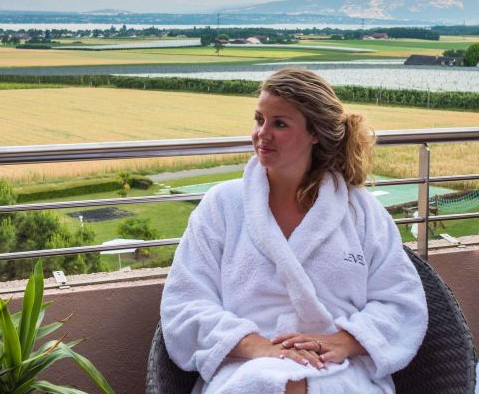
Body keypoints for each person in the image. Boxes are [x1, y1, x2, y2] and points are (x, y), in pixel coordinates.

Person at [160, 69, 427, 394]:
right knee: (277, 384)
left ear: (315, 133)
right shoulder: (222, 206)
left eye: (280, 124)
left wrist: (345, 341)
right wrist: (255, 345)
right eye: (259, 120)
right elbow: (185, 303)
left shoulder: (359, 211)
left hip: (340, 368)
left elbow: (401, 302)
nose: (262, 134)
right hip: (245, 364)